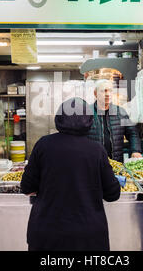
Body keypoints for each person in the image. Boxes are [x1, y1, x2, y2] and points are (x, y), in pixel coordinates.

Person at [20, 97, 121, 251]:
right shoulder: (96, 150)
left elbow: (27, 187)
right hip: (88, 236)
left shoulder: (43, 144)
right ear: (89, 120)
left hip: (47, 234)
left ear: (59, 118)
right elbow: (112, 194)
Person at [87, 79, 142, 163]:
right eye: (104, 91)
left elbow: (132, 133)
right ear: (95, 93)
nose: (108, 94)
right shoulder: (87, 112)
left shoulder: (121, 112)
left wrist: (135, 150)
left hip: (116, 163)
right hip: (93, 163)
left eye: (110, 91)